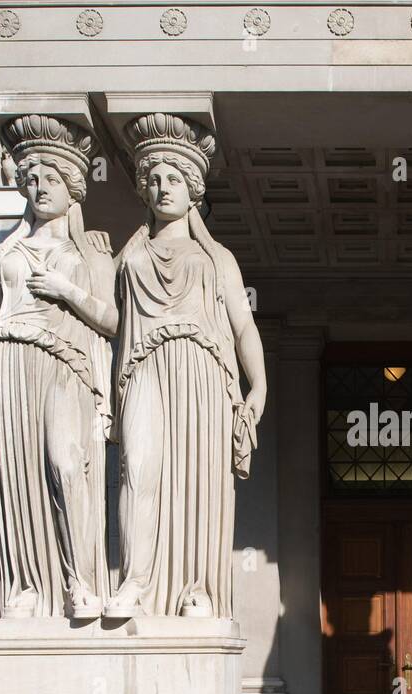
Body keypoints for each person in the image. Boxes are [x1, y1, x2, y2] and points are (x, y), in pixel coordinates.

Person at [0, 115, 116, 618]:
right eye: (31, 179)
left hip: (65, 365)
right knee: (17, 473)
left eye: (50, 179)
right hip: (8, 365)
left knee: (67, 464)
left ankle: (82, 581)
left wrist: (66, 290)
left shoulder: (92, 251)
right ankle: (27, 588)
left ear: (72, 187)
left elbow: (113, 320)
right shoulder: (6, 251)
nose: (40, 187)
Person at [106, 113, 267, 618]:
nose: (162, 188)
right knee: (140, 467)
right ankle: (135, 580)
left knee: (199, 479)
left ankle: (195, 588)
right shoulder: (129, 255)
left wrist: (258, 385)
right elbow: (109, 319)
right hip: (144, 367)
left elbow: (243, 325)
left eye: (173, 178)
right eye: (153, 179)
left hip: (203, 373)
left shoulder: (215, 257)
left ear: (192, 187)